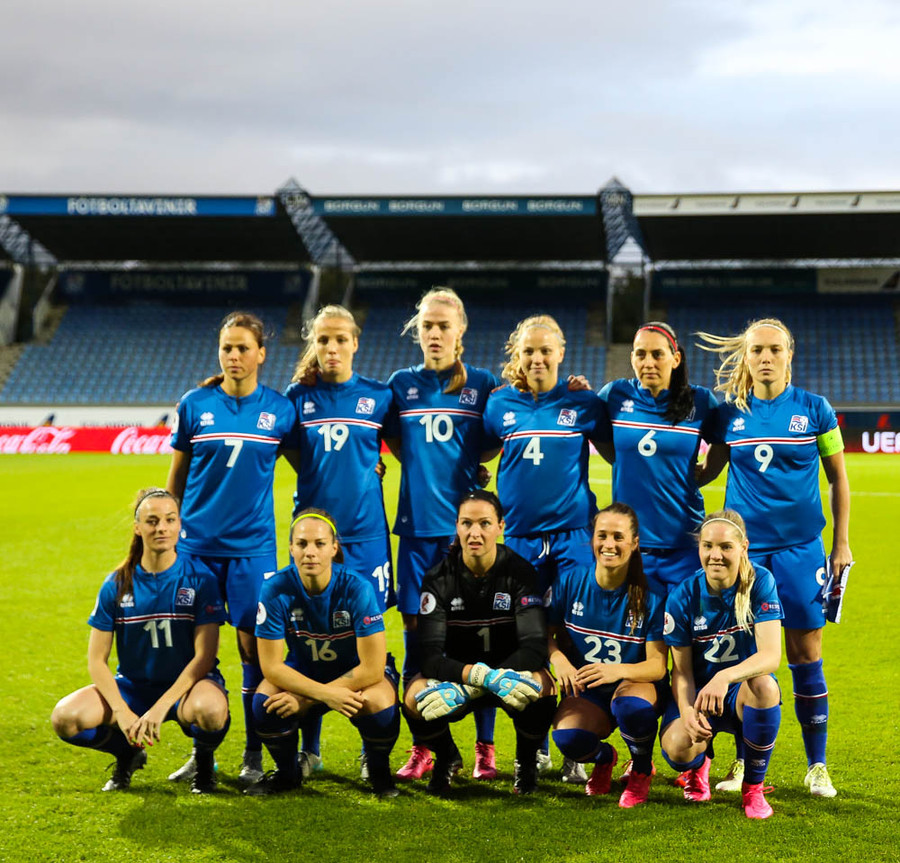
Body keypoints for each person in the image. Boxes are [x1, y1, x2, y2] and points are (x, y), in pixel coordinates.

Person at [697, 318, 852, 798]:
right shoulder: (728, 415)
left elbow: (838, 479)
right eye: (757, 350)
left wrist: (841, 543)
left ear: (789, 354)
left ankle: (817, 765)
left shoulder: (816, 410)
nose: (766, 357)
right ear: (746, 357)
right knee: (745, 658)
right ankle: (743, 762)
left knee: (806, 656)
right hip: (744, 557)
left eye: (775, 349)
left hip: (802, 553)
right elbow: (706, 472)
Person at [166, 311, 300, 785]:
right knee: (195, 651)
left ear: (261, 353)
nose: (234, 355)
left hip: (253, 552)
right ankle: (203, 752)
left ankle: (252, 754)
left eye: (243, 348)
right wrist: (169, 537)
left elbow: (309, 466)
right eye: (227, 348)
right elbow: (177, 480)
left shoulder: (280, 410)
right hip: (197, 550)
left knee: (254, 654)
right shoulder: (195, 404)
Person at [384, 288, 503, 782]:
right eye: (427, 326)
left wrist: (472, 467)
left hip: (466, 536)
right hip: (416, 534)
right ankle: (425, 745)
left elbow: (495, 439)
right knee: (418, 639)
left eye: (443, 326)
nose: (434, 333)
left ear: (460, 331)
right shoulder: (400, 385)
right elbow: (393, 440)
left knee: (478, 640)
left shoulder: (483, 384)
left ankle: (485, 748)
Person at [482, 313, 605, 778]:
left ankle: (574, 744)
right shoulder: (498, 404)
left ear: (561, 353)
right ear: (518, 355)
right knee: (524, 637)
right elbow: (476, 451)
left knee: (576, 635)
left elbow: (618, 450)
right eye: (529, 351)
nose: (537, 358)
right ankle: (531, 745)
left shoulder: (583, 402)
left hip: (574, 537)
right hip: (520, 538)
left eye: (545, 350)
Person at [51, 488, 229, 794]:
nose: (161, 528)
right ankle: (127, 753)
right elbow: (96, 661)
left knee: (211, 712)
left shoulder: (201, 579)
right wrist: (122, 711)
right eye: (152, 521)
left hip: (188, 688)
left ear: (179, 524)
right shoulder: (117, 584)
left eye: (169, 520)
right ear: (138, 527)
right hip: (133, 688)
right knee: (66, 718)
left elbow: (204, 657)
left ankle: (203, 762)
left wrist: (161, 706)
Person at [284, 305, 395, 778]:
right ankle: (309, 749)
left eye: (340, 339)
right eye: (323, 339)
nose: (332, 348)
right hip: (314, 538)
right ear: (314, 343)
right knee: (309, 638)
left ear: (355, 343)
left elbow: (405, 448)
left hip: (366, 539)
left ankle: (373, 748)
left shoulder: (379, 396)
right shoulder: (298, 397)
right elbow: (295, 454)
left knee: (366, 637)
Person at [402, 491, 557, 796]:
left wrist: (487, 679)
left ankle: (526, 763)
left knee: (545, 687)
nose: (475, 533)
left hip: (509, 676)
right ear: (456, 527)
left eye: (484, 523)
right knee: (413, 698)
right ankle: (446, 757)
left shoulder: (521, 572)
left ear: (501, 526)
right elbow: (429, 657)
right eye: (467, 523)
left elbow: (534, 647)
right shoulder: (438, 578)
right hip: (459, 678)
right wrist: (473, 677)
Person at [247, 509, 400, 798]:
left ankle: (379, 772)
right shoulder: (275, 588)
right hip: (306, 669)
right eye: (302, 544)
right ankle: (287, 774)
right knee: (265, 703)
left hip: (356, 674)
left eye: (319, 544)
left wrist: (307, 699)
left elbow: (372, 668)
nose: (310, 552)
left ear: (333, 548)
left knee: (378, 703)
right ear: (291, 548)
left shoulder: (357, 588)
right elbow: (271, 667)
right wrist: (324, 694)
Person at [659, 510, 783, 819]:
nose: (715, 555)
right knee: (677, 748)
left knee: (765, 686)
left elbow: (771, 656)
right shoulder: (682, 595)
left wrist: (725, 677)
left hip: (738, 694)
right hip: (699, 695)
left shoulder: (760, 582)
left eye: (726, 546)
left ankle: (753, 788)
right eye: (708, 546)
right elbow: (681, 672)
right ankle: (698, 766)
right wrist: (687, 712)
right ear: (699, 547)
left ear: (743, 547)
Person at [548, 503, 667, 808]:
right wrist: (558, 659)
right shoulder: (570, 582)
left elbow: (657, 666)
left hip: (635, 685)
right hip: (589, 689)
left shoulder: (652, 595)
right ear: (592, 538)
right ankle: (605, 758)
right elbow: (543, 635)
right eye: (602, 535)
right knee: (568, 739)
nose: (609, 544)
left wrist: (617, 671)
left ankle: (641, 769)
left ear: (635, 543)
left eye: (618, 537)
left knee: (630, 707)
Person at [597, 322, 719, 596]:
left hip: (685, 544)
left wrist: (704, 473)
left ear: (675, 359)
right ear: (632, 358)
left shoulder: (700, 401)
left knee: (685, 623)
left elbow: (724, 442)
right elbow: (595, 434)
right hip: (630, 546)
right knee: (635, 623)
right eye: (641, 354)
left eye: (657, 354)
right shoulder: (614, 395)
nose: (648, 362)